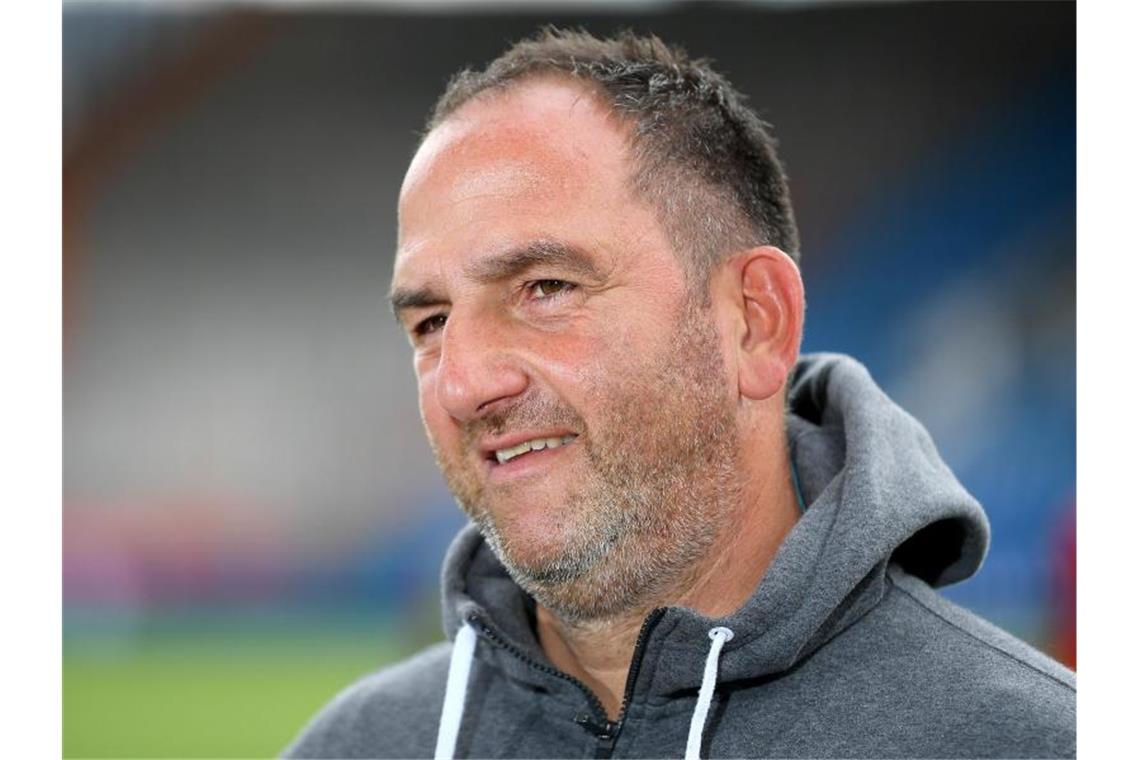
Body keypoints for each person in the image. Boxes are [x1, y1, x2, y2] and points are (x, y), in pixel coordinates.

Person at [284, 28, 1075, 759]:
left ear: (754, 323)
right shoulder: (356, 746)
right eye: (429, 323)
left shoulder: (1030, 741)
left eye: (545, 287)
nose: (463, 382)